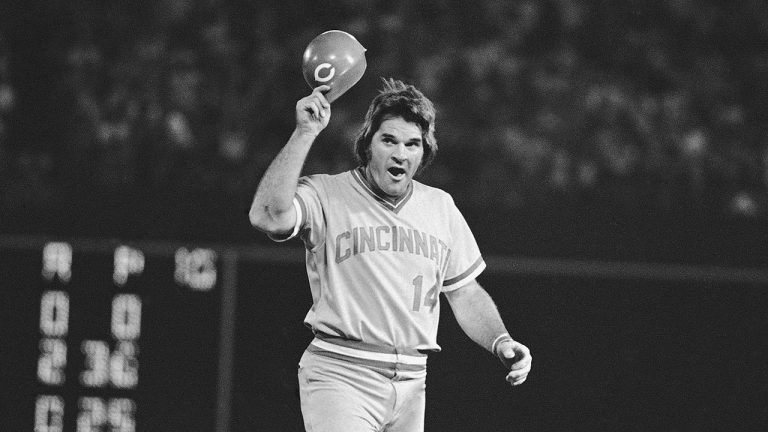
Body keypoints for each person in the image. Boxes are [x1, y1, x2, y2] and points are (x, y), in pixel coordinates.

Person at [249, 78, 532, 432]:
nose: (401, 153)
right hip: (341, 374)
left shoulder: (440, 207)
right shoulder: (327, 193)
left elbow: (465, 292)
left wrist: (501, 340)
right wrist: (305, 132)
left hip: (413, 384)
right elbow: (266, 215)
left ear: (423, 153)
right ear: (367, 145)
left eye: (412, 144)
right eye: (389, 140)